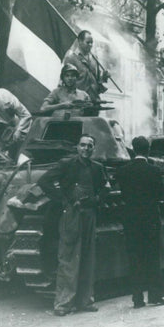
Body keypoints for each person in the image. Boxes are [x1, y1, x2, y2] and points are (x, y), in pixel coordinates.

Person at [38, 134, 107, 316]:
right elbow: (44, 181)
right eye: (83, 145)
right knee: (68, 257)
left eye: (89, 146)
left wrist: (97, 199)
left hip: (89, 214)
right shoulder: (66, 164)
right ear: (77, 147)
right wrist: (63, 200)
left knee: (87, 257)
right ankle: (63, 303)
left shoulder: (97, 168)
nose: (86, 149)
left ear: (94, 148)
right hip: (72, 215)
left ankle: (85, 300)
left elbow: (105, 187)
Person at [115, 135, 164, 308]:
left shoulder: (123, 171)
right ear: (147, 150)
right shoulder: (153, 171)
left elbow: (122, 194)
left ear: (133, 149)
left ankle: (137, 298)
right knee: (152, 257)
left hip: (131, 219)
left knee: (134, 257)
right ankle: (155, 295)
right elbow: (161, 195)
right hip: (150, 219)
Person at [63, 30, 110, 103]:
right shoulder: (71, 58)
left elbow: (97, 81)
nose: (90, 45)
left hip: (94, 101)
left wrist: (104, 77)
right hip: (78, 103)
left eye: (92, 43)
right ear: (80, 42)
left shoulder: (94, 59)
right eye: (88, 42)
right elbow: (66, 82)